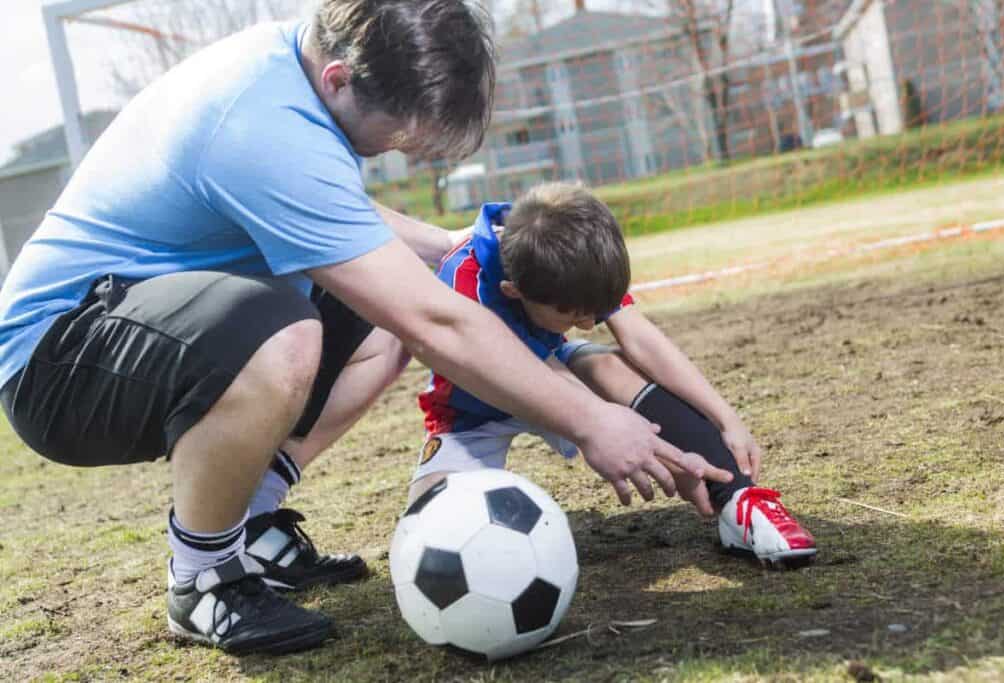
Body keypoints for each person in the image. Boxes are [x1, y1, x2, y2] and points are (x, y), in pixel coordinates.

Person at [0, 1, 724, 655]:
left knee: (375, 321)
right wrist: (590, 420)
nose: (411, 143)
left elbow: (331, 215)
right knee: (286, 333)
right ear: (341, 78)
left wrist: (449, 247)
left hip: (137, 321)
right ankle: (202, 579)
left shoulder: (291, 78)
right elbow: (438, 322)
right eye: (403, 129)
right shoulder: (259, 120)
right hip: (58, 359)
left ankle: (245, 520)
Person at [412, 183, 816, 567]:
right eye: (574, 316)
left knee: (606, 363)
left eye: (595, 312)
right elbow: (541, 381)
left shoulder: (569, 245)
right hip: (472, 411)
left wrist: (726, 418)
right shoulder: (464, 285)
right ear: (513, 291)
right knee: (427, 536)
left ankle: (739, 500)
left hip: (554, 368)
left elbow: (642, 340)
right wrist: (658, 454)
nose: (588, 324)